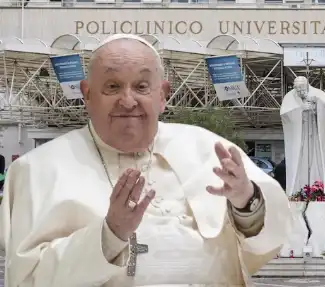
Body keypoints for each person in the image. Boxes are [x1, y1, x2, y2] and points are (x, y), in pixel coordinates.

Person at [0, 34, 292, 286]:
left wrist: (246, 202)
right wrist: (109, 234)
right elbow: (26, 278)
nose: (128, 101)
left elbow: (268, 239)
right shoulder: (37, 169)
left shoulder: (208, 147)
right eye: (112, 87)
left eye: (141, 87)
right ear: (87, 94)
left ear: (163, 95)